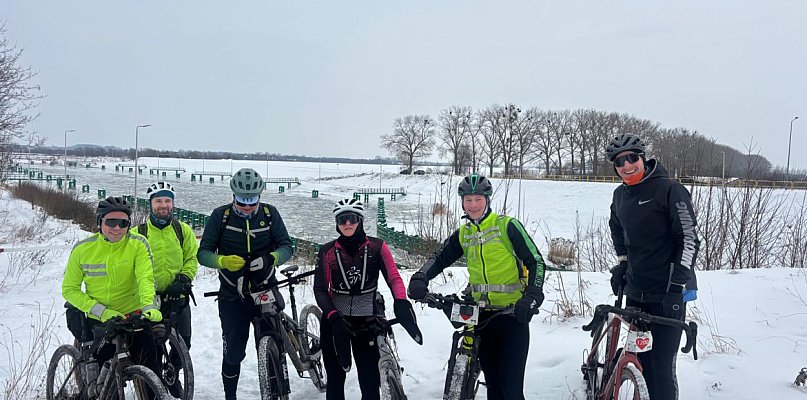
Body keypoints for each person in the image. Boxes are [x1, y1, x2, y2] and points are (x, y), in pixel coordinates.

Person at [408, 174, 546, 400]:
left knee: (511, 391)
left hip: (512, 316)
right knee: (493, 388)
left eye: (478, 199)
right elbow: (440, 257)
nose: (473, 205)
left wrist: (531, 296)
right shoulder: (465, 233)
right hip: (480, 317)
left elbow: (536, 262)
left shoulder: (507, 226)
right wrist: (420, 277)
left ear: (487, 200)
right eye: (468, 200)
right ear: (462, 202)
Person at [605, 133, 700, 400]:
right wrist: (622, 264)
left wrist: (677, 286)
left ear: (643, 158)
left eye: (632, 158)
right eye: (620, 161)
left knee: (661, 369)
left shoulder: (670, 189)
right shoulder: (620, 194)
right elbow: (616, 228)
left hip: (668, 292)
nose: (627, 165)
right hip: (637, 290)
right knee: (642, 360)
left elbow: (689, 239)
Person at [197, 168, 294, 400]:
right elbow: (203, 254)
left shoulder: (270, 214)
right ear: (234, 196)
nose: (248, 207)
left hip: (265, 289)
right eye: (242, 201)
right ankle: (230, 396)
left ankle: (279, 392)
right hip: (233, 295)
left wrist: (272, 258)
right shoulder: (220, 216)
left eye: (252, 201)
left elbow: (287, 247)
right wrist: (222, 261)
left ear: (260, 196)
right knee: (233, 352)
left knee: (275, 345)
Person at [314, 198, 422, 400]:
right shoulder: (328, 251)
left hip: (367, 320)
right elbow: (320, 289)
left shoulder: (377, 247)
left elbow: (394, 278)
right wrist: (333, 318)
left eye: (352, 219)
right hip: (336, 319)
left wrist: (401, 301)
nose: (347, 224)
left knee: (370, 382)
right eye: (342, 219)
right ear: (336, 223)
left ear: (360, 220)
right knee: (336, 381)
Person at [61, 196, 162, 382]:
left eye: (123, 223)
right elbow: (69, 289)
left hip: (133, 317)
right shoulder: (83, 249)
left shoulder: (138, 243)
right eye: (111, 222)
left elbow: (145, 278)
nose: (117, 228)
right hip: (100, 321)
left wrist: (149, 305)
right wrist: (102, 312)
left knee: (152, 374)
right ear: (100, 222)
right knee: (103, 383)